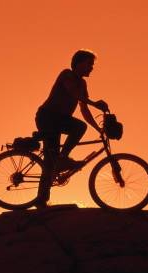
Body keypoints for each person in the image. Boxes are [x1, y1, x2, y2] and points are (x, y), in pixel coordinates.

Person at [34, 49, 109, 208]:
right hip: (48, 117)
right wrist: (95, 103)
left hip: (60, 119)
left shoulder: (82, 83)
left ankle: (43, 195)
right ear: (79, 63)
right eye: (89, 64)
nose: (91, 68)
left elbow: (84, 108)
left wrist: (98, 129)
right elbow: (75, 94)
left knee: (53, 157)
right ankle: (59, 164)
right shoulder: (67, 74)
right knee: (52, 157)